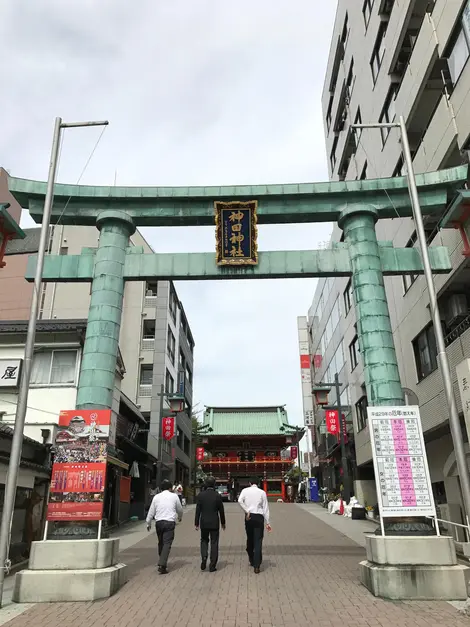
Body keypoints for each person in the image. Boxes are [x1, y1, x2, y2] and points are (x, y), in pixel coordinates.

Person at [146, 479, 183, 574]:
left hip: (159, 522)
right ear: (170, 488)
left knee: (161, 542)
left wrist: (148, 522)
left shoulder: (156, 497)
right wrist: (180, 517)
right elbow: (179, 509)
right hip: (169, 522)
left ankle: (161, 559)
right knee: (167, 543)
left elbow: (151, 511)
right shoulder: (174, 496)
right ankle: (162, 564)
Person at [238, 477, 272, 574]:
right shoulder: (262, 492)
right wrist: (268, 522)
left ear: (249, 483)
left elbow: (240, 500)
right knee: (258, 541)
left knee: (250, 538)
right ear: (258, 483)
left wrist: (247, 510)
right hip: (259, 517)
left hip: (249, 516)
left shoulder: (245, 490)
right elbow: (266, 508)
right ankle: (257, 566)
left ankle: (251, 556)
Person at [195, 476, 226, 572]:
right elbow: (221, 510)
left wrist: (196, 523)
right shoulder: (217, 495)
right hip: (214, 522)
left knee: (204, 540)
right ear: (214, 484)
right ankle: (212, 565)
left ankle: (204, 557)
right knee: (214, 542)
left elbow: (198, 510)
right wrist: (223, 522)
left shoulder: (201, 495)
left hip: (204, 521)